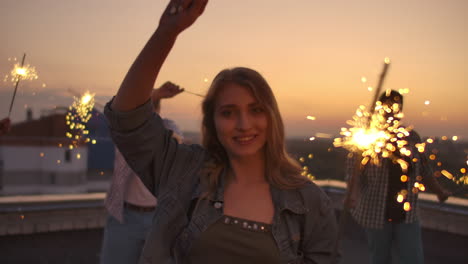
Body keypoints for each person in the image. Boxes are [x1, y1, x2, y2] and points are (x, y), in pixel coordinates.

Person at [104, 0, 338, 263]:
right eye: (228, 112)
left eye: (256, 110)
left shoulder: (310, 201)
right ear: (212, 121)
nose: (244, 124)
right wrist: (165, 34)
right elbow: (127, 118)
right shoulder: (183, 172)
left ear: (272, 116)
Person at [345, 90, 450, 264]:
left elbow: (424, 170)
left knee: (413, 259)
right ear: (379, 109)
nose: (391, 112)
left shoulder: (411, 137)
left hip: (407, 215)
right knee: (380, 259)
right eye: (387, 108)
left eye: (396, 107)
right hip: (376, 211)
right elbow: (354, 173)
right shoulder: (368, 138)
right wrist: (353, 195)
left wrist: (439, 191)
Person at [100, 83, 184, 264]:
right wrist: (155, 94)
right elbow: (122, 109)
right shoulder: (125, 132)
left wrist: (156, 96)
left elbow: (174, 141)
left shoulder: (168, 128)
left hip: (160, 220)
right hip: (124, 216)